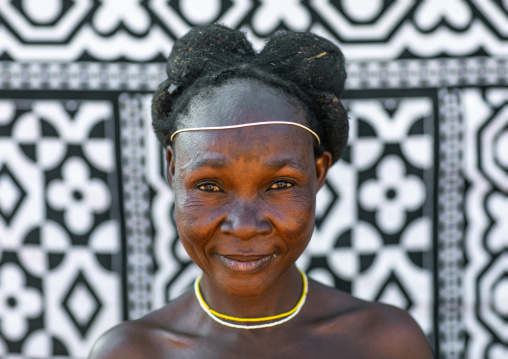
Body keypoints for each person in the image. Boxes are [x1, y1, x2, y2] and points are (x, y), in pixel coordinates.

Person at [89, 24, 434, 358]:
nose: (244, 226)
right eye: (210, 186)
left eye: (280, 185)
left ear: (318, 172)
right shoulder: (131, 353)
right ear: (173, 170)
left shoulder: (386, 344)